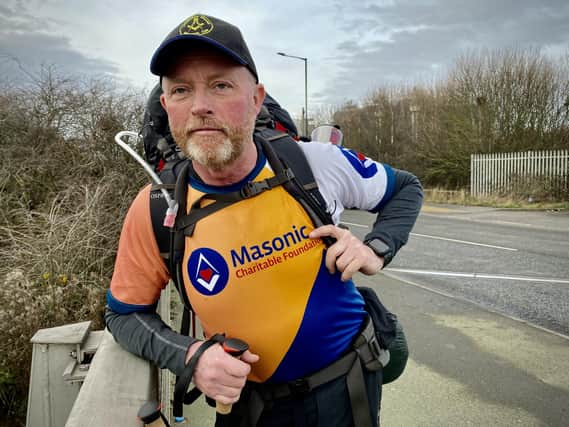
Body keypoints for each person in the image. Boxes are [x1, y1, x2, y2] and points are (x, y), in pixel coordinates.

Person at [105, 13, 422, 427]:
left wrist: (376, 247)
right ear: (167, 107)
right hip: (245, 408)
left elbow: (406, 188)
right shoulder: (155, 209)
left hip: (348, 388)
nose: (200, 106)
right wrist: (191, 357)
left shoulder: (313, 161)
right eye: (181, 90)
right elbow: (123, 314)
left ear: (256, 98)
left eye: (220, 85)